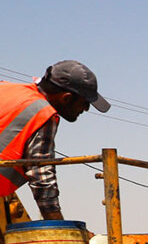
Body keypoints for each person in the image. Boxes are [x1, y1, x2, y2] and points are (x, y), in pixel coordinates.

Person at [0, 61, 110, 223]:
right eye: (85, 103)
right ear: (67, 98)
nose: (86, 109)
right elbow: (42, 180)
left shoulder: (5, 89)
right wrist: (60, 231)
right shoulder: (42, 114)